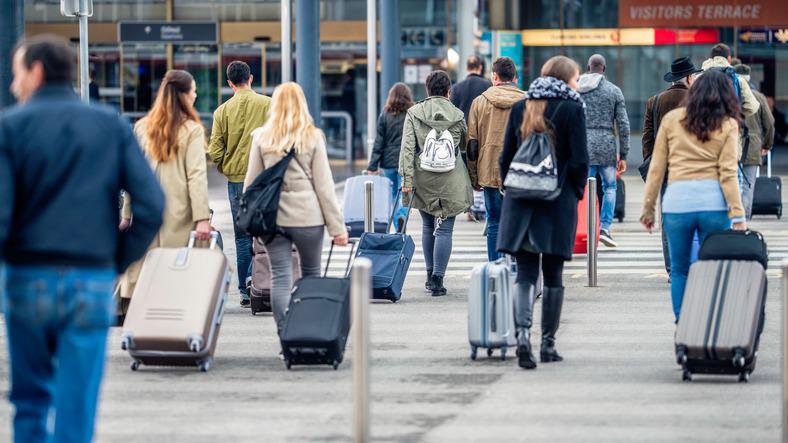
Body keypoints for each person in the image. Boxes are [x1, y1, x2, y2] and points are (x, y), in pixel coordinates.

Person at [0, 35, 164, 443]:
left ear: (36, 72)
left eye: (17, 73)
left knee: (31, 397)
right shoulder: (108, 124)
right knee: (77, 400)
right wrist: (115, 258)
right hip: (90, 277)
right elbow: (152, 203)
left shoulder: (10, 128)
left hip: (27, 276)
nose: (12, 84)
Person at [498, 55, 588, 370]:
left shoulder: (521, 107)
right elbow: (579, 161)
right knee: (553, 275)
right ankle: (548, 344)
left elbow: (505, 157)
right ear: (566, 81)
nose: (578, 85)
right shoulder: (573, 109)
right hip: (557, 201)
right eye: (576, 79)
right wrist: (574, 192)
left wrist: (514, 190)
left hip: (521, 202)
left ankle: (523, 336)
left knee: (524, 273)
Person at [641, 70, 746, 323]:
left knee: (679, 270)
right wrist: (738, 215)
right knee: (712, 266)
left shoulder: (672, 120)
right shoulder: (728, 124)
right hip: (714, 204)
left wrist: (648, 208)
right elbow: (728, 173)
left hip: (677, 203)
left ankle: (683, 325)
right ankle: (707, 322)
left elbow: (657, 167)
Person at [244, 82, 348, 336]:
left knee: (280, 277)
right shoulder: (313, 137)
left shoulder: (261, 137)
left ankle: (286, 334)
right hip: (308, 218)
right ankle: (309, 332)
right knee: (311, 276)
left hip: (273, 219)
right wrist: (337, 228)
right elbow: (324, 187)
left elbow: (251, 184)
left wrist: (249, 219)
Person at [120, 70, 212, 304]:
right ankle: (169, 324)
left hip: (145, 212)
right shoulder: (192, 130)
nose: (196, 94)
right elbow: (196, 176)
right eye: (193, 90)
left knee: (145, 274)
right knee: (178, 272)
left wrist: (126, 214)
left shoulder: (142, 127)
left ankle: (145, 324)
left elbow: (133, 176)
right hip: (178, 212)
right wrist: (202, 217)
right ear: (183, 95)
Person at [400, 70, 473, 296]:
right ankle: (438, 279)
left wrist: (407, 180)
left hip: (423, 178)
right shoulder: (458, 114)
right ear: (449, 91)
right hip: (450, 178)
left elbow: (408, 149)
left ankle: (429, 274)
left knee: (427, 226)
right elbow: (463, 145)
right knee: (445, 230)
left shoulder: (414, 113)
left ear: (428, 90)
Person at [208, 61, 271, 307]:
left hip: (236, 181)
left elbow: (214, 150)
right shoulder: (268, 104)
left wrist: (226, 166)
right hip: (263, 179)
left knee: (242, 237)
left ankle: (244, 292)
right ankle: (260, 283)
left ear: (230, 83)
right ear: (251, 78)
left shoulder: (221, 112)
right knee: (264, 234)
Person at [641, 56, 702, 279]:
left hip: (666, 168)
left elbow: (647, 138)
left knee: (669, 220)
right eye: (693, 75)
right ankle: (695, 264)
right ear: (687, 77)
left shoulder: (655, 101)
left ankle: (673, 268)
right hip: (695, 167)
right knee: (696, 215)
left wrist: (651, 161)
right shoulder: (699, 100)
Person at [467, 56, 525, 261]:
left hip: (489, 170)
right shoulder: (528, 102)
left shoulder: (479, 102)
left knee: (494, 222)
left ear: (494, 76)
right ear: (515, 78)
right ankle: (519, 270)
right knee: (519, 222)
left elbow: (472, 144)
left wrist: (474, 178)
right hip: (521, 172)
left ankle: (495, 269)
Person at [577, 54, 630, 248]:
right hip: (607, 144)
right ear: (604, 69)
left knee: (584, 188)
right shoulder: (614, 91)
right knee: (610, 187)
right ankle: (605, 227)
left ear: (588, 67)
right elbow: (623, 125)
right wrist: (623, 154)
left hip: (584, 145)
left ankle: (585, 226)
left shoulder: (578, 89)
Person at [367, 82, 414, 231]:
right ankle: (402, 217)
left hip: (388, 163)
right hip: (406, 163)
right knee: (406, 194)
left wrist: (372, 165)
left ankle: (396, 222)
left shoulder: (385, 116)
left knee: (393, 194)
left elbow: (379, 142)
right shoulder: (412, 115)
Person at [733, 63, 775, 219]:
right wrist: (767, 144)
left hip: (734, 144)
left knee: (734, 183)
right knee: (747, 185)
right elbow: (769, 122)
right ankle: (744, 218)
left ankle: (735, 217)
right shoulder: (759, 97)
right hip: (754, 145)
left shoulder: (730, 95)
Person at [701, 43, 759, 118]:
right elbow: (752, 107)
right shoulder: (738, 79)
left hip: (705, 124)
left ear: (711, 59)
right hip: (730, 124)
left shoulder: (698, 77)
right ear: (729, 59)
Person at [450, 55, 492, 122]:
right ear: (480, 67)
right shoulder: (488, 85)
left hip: (463, 129)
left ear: (467, 68)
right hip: (481, 128)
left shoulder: (456, 87)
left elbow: (452, 113)